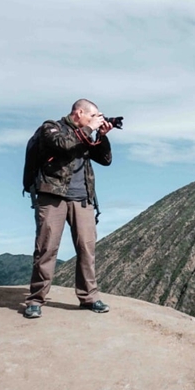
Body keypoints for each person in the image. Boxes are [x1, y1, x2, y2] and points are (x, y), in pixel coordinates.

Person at [24, 99, 114, 319]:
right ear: (79, 113)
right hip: (52, 196)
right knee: (47, 248)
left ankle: (89, 297)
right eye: (93, 116)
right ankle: (35, 299)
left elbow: (105, 159)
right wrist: (88, 129)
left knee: (87, 248)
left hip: (82, 198)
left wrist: (101, 136)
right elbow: (62, 144)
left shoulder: (85, 134)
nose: (96, 120)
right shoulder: (51, 127)